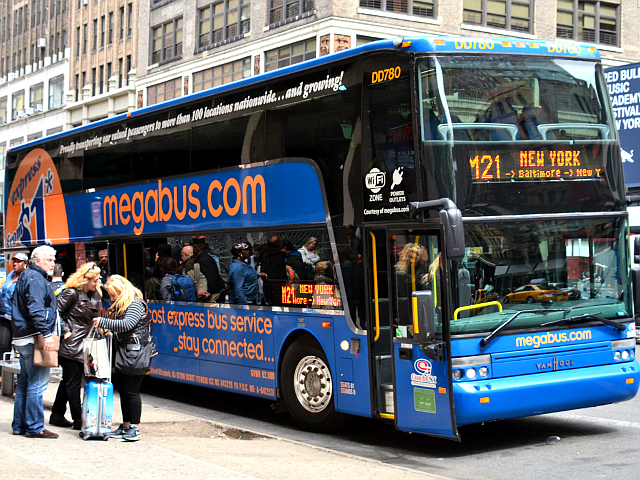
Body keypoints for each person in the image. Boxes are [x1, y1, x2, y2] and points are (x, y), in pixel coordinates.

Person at [93, 275, 152, 442]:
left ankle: (135, 427)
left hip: (135, 354)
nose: (111, 299)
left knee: (131, 391)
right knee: (124, 391)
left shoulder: (136, 304)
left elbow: (127, 324)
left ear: (122, 290)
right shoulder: (124, 304)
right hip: (124, 353)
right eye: (110, 295)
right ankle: (126, 425)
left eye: (113, 295)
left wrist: (104, 322)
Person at [11, 245, 59, 439]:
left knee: (24, 382)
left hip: (23, 336)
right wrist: (46, 334)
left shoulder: (27, 276)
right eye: (49, 260)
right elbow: (36, 309)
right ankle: (35, 427)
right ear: (37, 261)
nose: (53, 263)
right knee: (36, 383)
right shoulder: (36, 278)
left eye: (54, 260)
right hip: (33, 337)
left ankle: (19, 425)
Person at [50, 262, 102, 430]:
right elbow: (55, 312)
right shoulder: (71, 293)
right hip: (71, 344)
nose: (97, 283)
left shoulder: (95, 295)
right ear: (84, 280)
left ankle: (57, 415)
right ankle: (78, 420)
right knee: (73, 383)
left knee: (68, 381)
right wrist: (66, 331)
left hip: (85, 343)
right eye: (94, 280)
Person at [0, 253, 29, 357]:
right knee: (2, 346)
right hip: (4, 315)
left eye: (18, 261)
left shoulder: (26, 278)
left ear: (25, 264)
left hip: (17, 318)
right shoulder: (11, 274)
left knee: (18, 347)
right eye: (14, 261)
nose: (15, 264)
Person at [261, 236, 287, 306]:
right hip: (278, 287)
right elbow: (282, 274)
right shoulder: (280, 257)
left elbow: (263, 271)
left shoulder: (265, 255)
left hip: (267, 286)